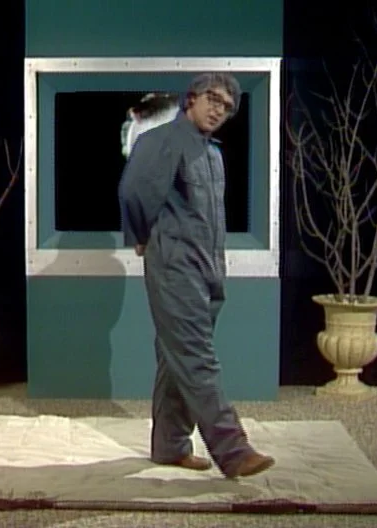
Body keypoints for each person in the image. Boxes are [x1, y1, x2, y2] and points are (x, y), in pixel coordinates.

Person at [118, 73, 275, 479]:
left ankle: (169, 446)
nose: (219, 110)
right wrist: (140, 236)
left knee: (178, 357)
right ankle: (233, 449)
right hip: (175, 265)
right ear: (191, 99)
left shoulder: (212, 154)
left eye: (227, 106)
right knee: (196, 355)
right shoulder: (163, 140)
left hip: (208, 267)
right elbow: (133, 190)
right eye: (213, 99)